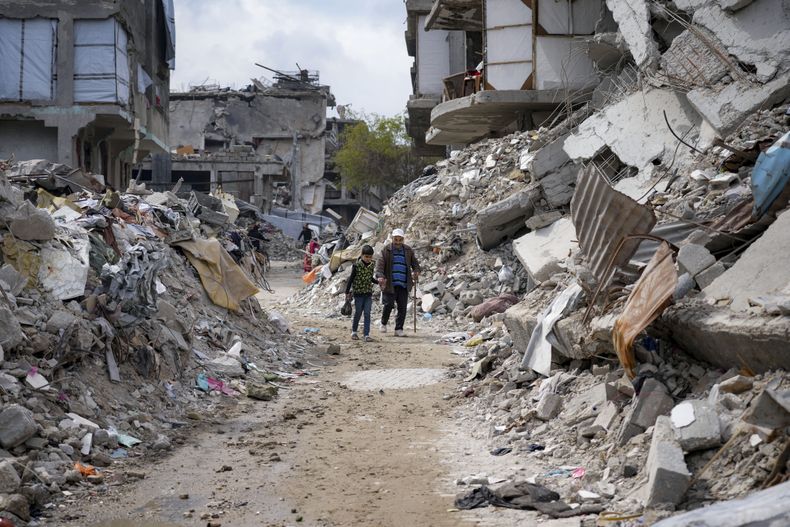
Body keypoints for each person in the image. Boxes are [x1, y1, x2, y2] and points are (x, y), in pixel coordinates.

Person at [375, 228, 420, 337]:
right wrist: (380, 276)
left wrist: (416, 271)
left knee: (402, 307)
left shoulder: (408, 250)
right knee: (389, 304)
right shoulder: (386, 250)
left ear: (403, 240)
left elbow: (415, 264)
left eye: (400, 240)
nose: (398, 242)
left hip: (404, 283)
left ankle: (398, 329)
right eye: (396, 239)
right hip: (390, 283)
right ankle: (383, 323)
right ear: (392, 239)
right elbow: (380, 265)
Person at [345, 245, 377, 342]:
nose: (368, 259)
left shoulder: (372, 265)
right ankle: (354, 331)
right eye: (366, 256)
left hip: (368, 293)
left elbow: (370, 278)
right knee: (358, 313)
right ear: (362, 255)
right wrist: (347, 292)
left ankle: (366, 334)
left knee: (367, 313)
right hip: (358, 293)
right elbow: (351, 279)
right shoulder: (356, 266)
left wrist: (378, 282)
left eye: (370, 257)